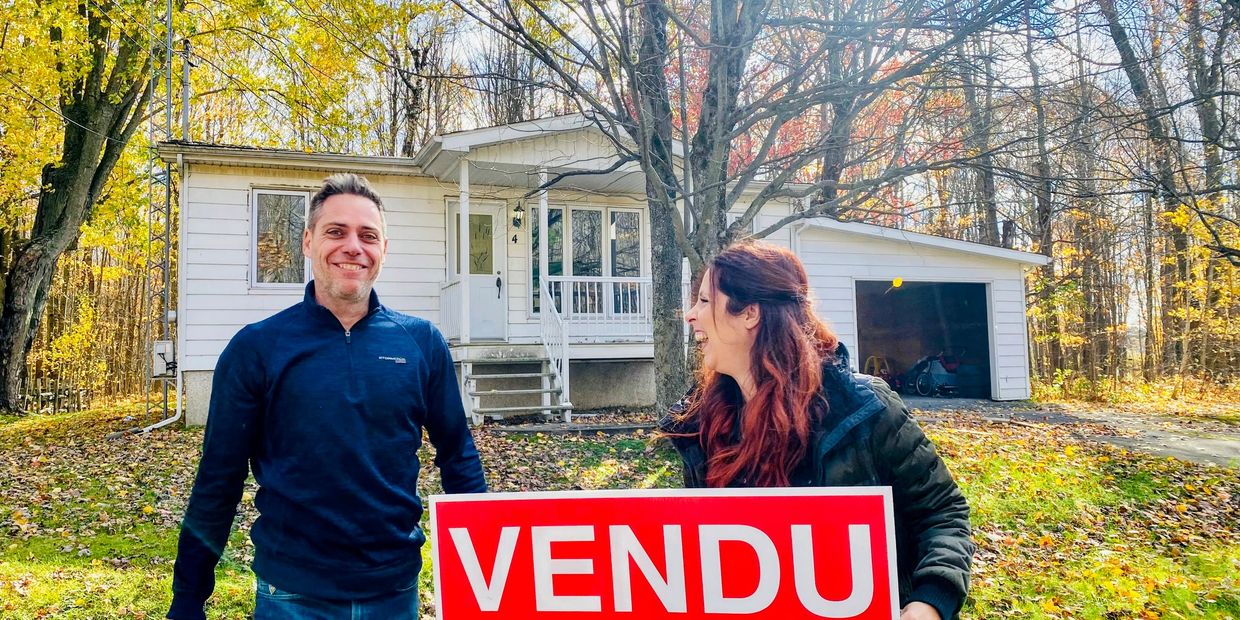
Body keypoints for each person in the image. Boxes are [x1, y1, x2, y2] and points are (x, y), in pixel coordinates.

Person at [167, 173, 487, 620]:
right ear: (308, 242)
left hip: (394, 591)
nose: (353, 246)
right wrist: (188, 599)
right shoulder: (257, 348)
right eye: (336, 232)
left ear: (383, 251)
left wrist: (486, 574)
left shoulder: (422, 344)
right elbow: (218, 480)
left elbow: (459, 458)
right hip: (292, 594)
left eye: (368, 235)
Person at [660, 241, 973, 620]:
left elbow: (943, 512)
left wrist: (929, 603)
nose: (691, 315)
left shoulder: (863, 408)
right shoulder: (701, 424)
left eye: (705, 301)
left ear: (750, 314)